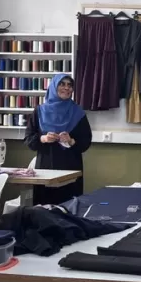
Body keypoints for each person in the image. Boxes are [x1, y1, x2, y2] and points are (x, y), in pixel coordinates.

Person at [24, 73, 92, 205]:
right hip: (45, 168)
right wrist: (44, 138)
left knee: (69, 208)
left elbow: (86, 141)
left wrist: (71, 141)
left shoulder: (78, 112)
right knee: (43, 209)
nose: (66, 88)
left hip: (70, 169)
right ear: (54, 87)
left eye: (69, 85)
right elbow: (29, 139)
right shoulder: (39, 111)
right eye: (62, 84)